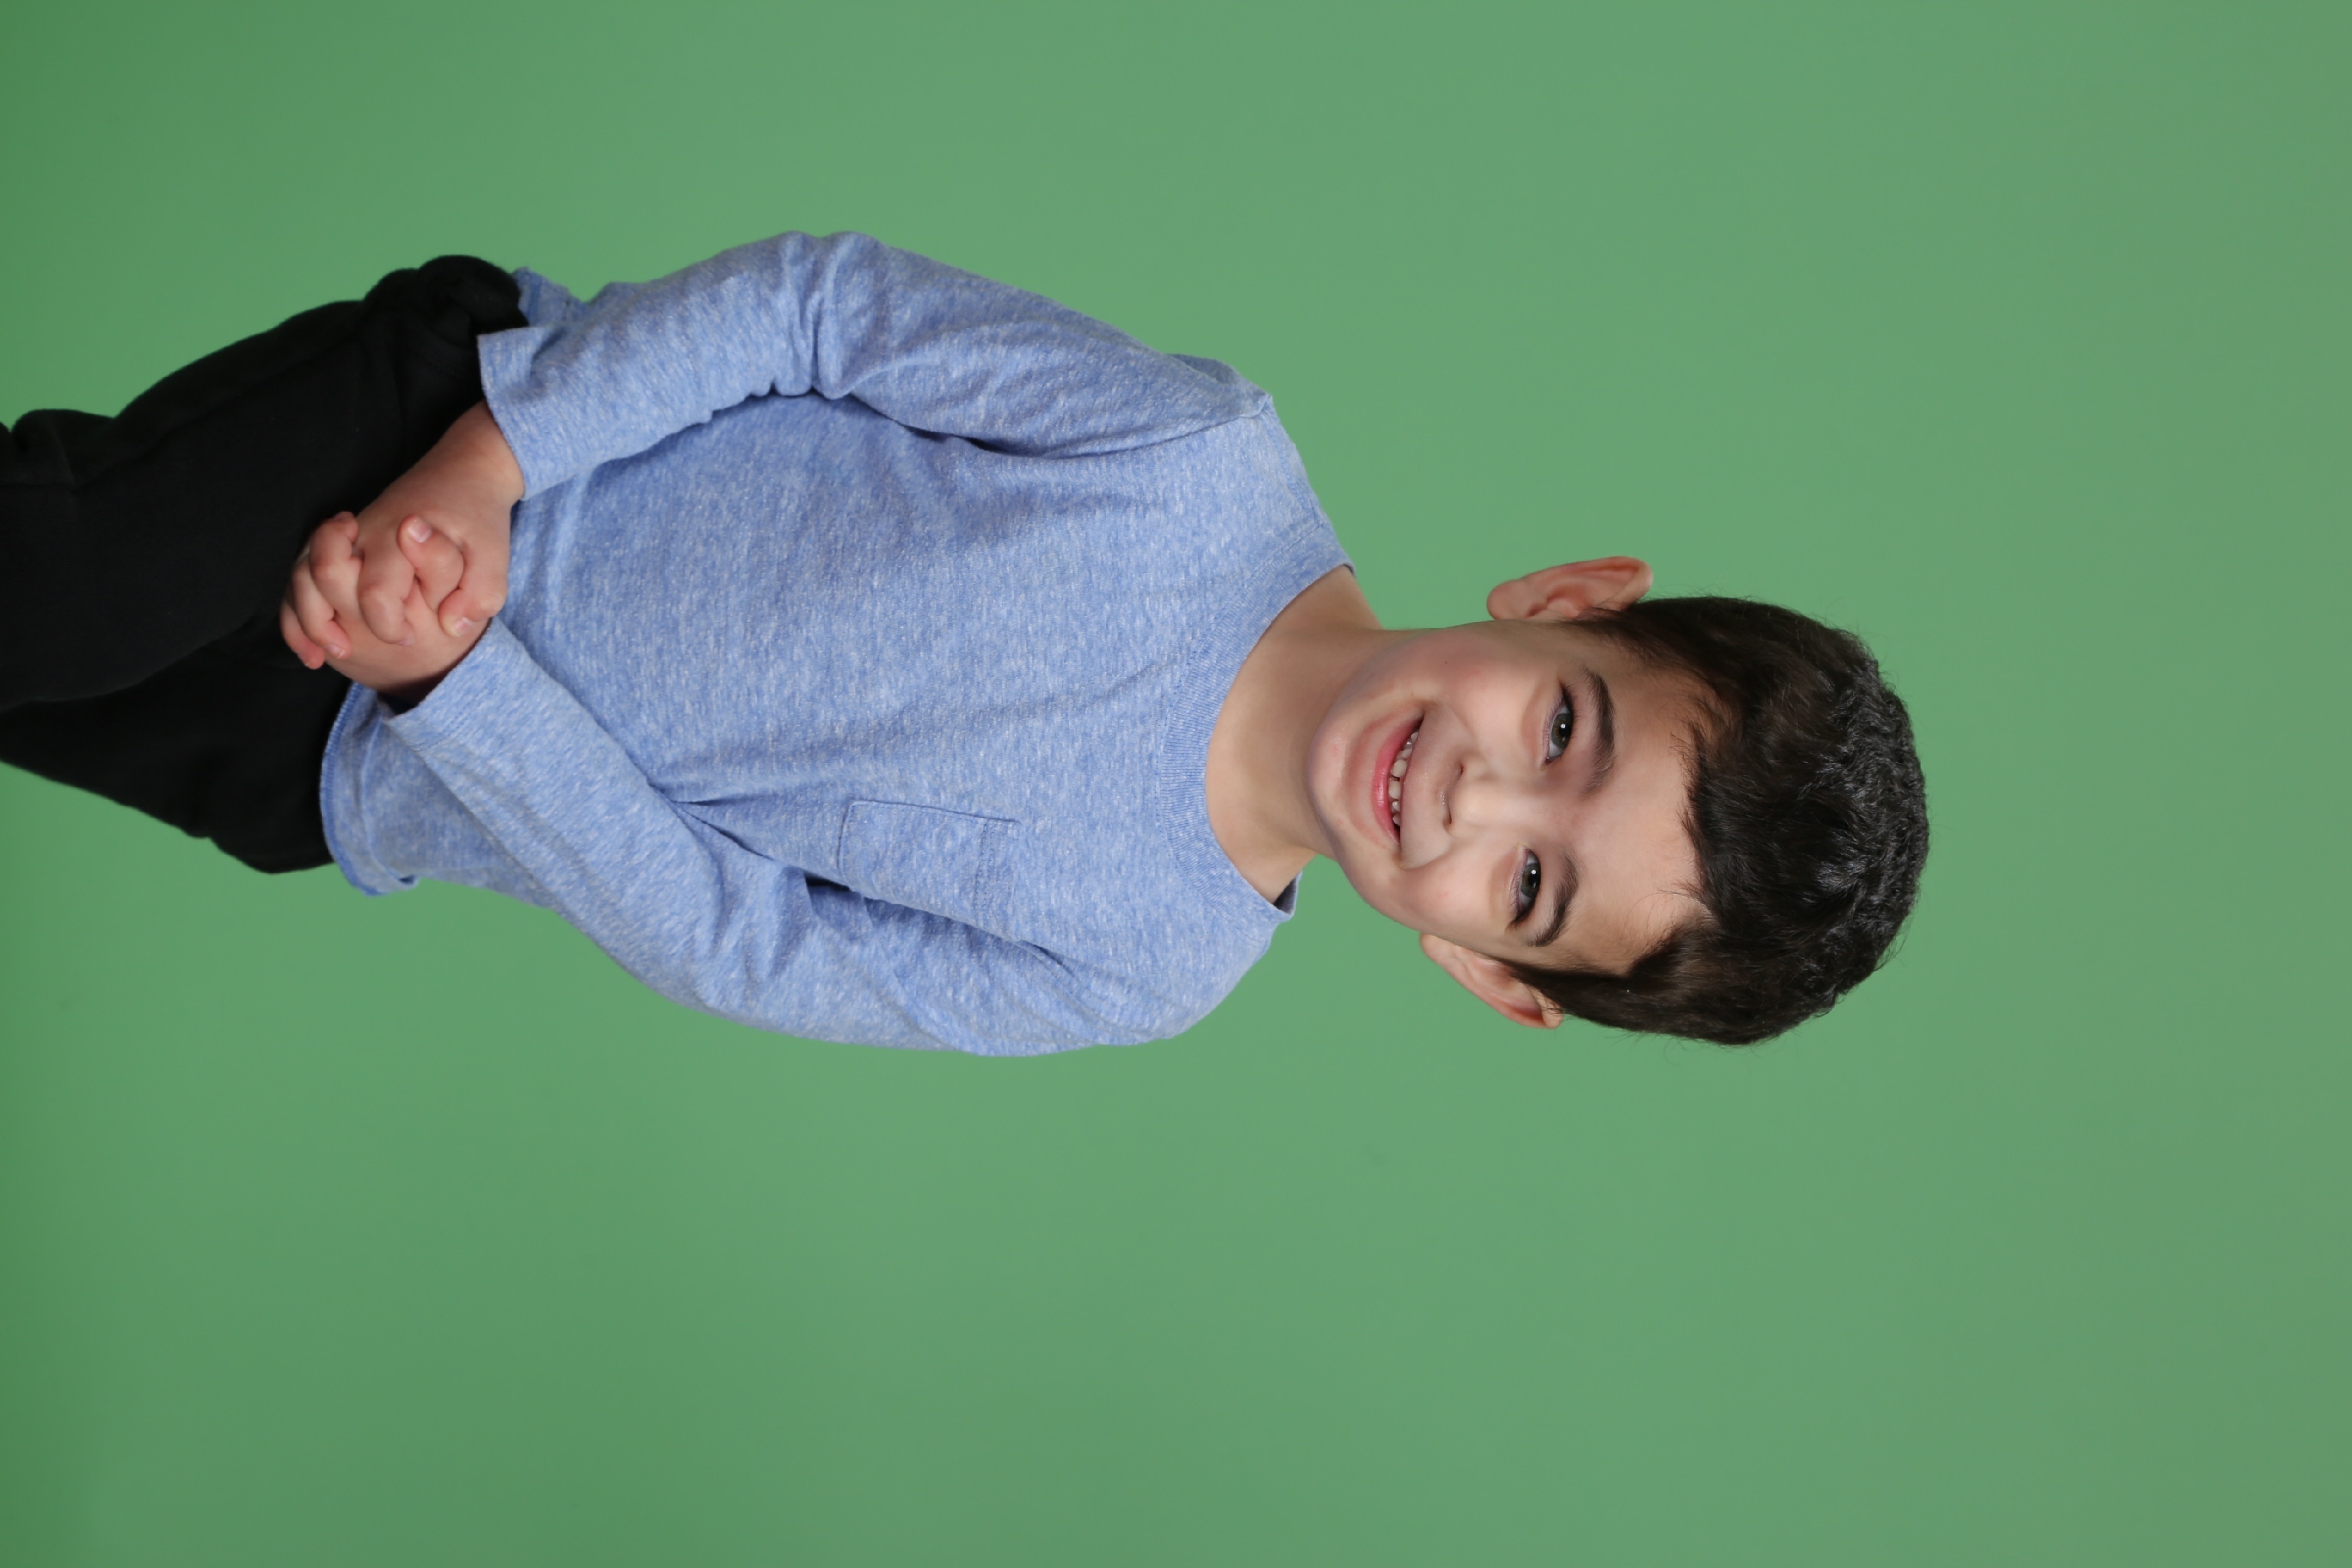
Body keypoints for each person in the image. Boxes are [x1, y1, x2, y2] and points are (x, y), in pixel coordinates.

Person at [1, 232, 1927, 1051]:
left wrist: (452, 687)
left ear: (1491, 972)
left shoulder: (1148, 968)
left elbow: (750, 944)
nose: (1478, 796)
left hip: (368, 762)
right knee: (54, 591)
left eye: (1528, 884)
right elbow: (815, 310)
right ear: (1567, 604)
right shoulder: (1196, 464)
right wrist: (485, 472)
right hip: (446, 436)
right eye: (1570, 728)